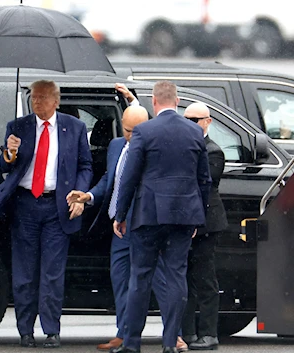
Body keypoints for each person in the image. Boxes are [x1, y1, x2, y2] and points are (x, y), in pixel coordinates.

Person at [67, 84, 188, 352]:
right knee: (121, 281)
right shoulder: (115, 146)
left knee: (160, 282)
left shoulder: (154, 146)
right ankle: (124, 333)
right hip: (118, 226)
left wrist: (137, 100)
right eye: (126, 130)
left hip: (145, 225)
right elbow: (111, 180)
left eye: (136, 131)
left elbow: (166, 124)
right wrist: (88, 197)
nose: (131, 136)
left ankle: (175, 335)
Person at [0, 80, 93, 348]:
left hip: (57, 206)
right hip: (25, 205)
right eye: (33, 98)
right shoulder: (18, 126)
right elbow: (4, 164)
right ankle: (25, 331)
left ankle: (52, 330)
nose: (37, 103)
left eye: (43, 98)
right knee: (25, 272)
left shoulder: (74, 127)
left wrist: (80, 192)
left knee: (52, 272)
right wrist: (9, 151)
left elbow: (85, 165)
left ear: (56, 101)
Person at [111, 81, 211, 353]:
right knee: (177, 277)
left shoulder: (144, 131)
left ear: (154, 102)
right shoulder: (194, 133)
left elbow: (129, 177)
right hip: (183, 215)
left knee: (140, 278)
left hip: (149, 214)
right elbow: (204, 180)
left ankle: (132, 344)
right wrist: (197, 217)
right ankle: (170, 343)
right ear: (177, 101)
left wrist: (121, 214)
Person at [181, 103, 227, 350]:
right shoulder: (186, 147)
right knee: (186, 279)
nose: (189, 124)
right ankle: (187, 332)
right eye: (186, 119)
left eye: (195, 120)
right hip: (189, 221)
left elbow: (205, 187)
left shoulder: (213, 151)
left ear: (207, 122)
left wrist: (196, 222)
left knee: (205, 278)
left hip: (206, 223)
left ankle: (209, 333)